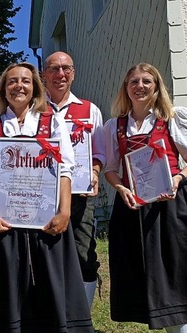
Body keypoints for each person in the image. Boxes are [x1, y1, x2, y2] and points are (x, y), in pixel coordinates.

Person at [0, 62, 93, 332]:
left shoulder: (53, 122)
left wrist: (64, 212)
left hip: (46, 219)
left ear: (35, 88)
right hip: (4, 219)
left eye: (25, 81)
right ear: (3, 89)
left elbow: (65, 168)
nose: (19, 86)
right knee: (6, 288)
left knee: (51, 285)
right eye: (12, 81)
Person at [103, 63, 187, 333]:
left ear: (156, 86)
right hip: (132, 209)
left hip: (170, 206)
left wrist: (177, 178)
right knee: (144, 277)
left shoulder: (172, 119)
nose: (140, 86)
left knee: (174, 277)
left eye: (146, 81)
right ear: (126, 89)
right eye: (134, 82)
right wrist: (121, 188)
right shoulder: (114, 126)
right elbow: (111, 169)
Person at [42, 51, 104, 308]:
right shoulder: (34, 109)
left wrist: (95, 172)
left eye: (66, 68)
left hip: (79, 194)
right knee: (45, 254)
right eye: (54, 69)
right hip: (43, 195)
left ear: (73, 73)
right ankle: (49, 310)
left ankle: (83, 317)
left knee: (83, 252)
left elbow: (99, 152)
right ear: (44, 74)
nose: (60, 74)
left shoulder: (90, 110)